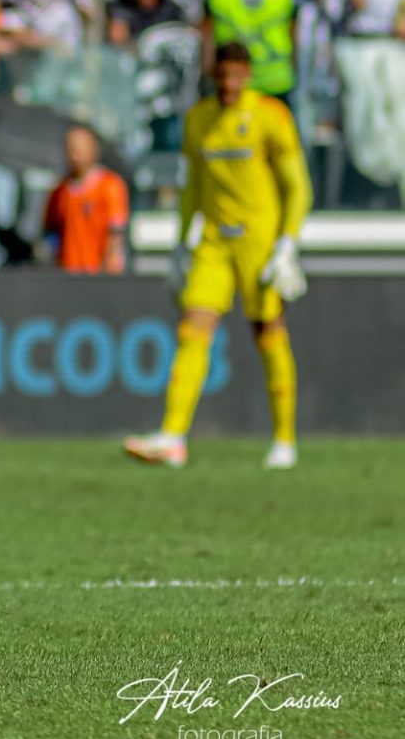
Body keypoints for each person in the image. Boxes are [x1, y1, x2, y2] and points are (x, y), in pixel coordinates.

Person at [124, 43, 311, 471]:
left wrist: (288, 245)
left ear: (246, 74)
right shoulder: (199, 120)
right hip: (213, 241)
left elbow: (297, 186)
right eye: (221, 76)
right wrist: (180, 243)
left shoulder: (270, 117)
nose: (227, 85)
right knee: (194, 328)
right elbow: (193, 186)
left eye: (235, 76)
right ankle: (173, 436)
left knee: (268, 331)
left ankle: (284, 439)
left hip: (259, 241)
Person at [42, 125, 129, 274]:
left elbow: (116, 233)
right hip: (68, 273)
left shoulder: (110, 185)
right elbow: (51, 230)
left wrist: (108, 270)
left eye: (80, 149)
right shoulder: (60, 190)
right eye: (71, 149)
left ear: (93, 150)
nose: (76, 155)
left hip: (98, 274)